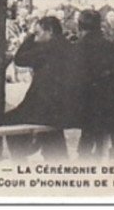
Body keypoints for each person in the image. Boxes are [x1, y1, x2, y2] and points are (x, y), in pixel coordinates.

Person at [5, 16, 83, 159]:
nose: (36, 37)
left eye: (38, 33)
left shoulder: (47, 49)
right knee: (52, 139)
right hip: (66, 107)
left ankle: (21, 158)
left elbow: (20, 59)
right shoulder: (70, 47)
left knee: (9, 120)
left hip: (47, 108)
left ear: (50, 31)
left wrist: (29, 36)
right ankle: (54, 158)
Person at [74, 10, 114, 158]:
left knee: (87, 141)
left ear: (80, 26)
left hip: (87, 100)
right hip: (108, 100)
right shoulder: (110, 45)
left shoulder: (79, 47)